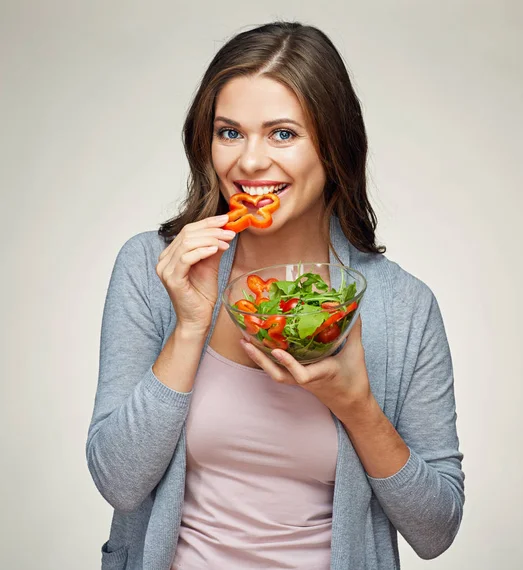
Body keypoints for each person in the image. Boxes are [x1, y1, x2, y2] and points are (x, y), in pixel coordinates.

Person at [86, 21, 465, 570]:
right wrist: (189, 328)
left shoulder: (401, 307)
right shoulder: (154, 268)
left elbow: (437, 530)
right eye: (230, 132)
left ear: (333, 148)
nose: (249, 163)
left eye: (282, 134)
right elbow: (119, 482)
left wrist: (357, 407)